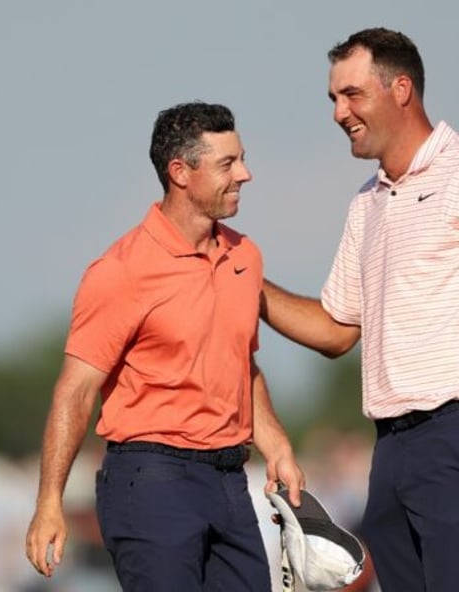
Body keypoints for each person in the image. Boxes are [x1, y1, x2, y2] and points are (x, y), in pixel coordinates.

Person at [260, 28, 459, 591]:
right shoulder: (367, 202)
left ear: (401, 88)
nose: (338, 112)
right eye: (333, 98)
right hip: (393, 448)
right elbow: (335, 329)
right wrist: (245, 286)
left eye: (352, 94)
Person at [25, 101, 304, 591]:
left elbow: (241, 363)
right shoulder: (120, 270)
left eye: (241, 158)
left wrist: (275, 442)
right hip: (151, 479)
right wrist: (49, 502)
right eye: (227, 164)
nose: (246, 173)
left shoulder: (245, 255)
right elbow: (74, 391)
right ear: (180, 172)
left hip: (229, 481)